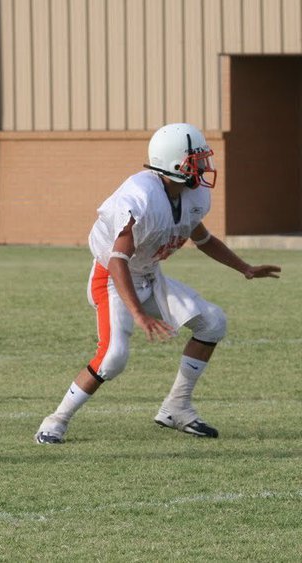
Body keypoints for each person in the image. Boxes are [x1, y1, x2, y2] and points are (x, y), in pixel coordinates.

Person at [35, 123, 281, 444]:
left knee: (213, 322)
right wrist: (139, 314)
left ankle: (176, 407)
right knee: (113, 357)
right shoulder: (141, 195)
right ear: (173, 164)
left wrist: (244, 268)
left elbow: (203, 238)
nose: (203, 167)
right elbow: (117, 260)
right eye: (195, 161)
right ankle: (55, 420)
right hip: (113, 278)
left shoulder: (190, 195)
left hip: (150, 275)